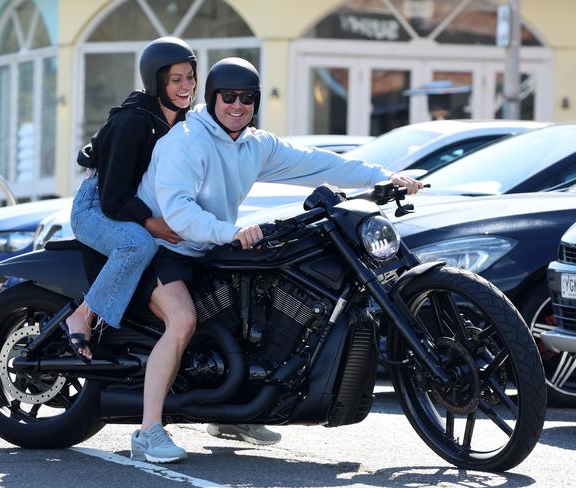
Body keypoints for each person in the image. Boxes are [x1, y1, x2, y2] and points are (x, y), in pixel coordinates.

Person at [131, 57, 424, 463]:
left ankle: (233, 413)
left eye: (246, 98)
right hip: (162, 249)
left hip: (206, 247)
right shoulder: (184, 142)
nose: (237, 105)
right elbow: (177, 212)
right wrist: (229, 232)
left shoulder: (254, 144)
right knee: (182, 321)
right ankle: (148, 431)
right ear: (213, 98)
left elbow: (321, 163)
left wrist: (384, 177)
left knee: (254, 307)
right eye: (228, 97)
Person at [63, 37, 197, 363]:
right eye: (175, 80)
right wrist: (151, 224)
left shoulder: (183, 121)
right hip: (96, 207)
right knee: (138, 244)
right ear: (156, 82)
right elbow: (112, 197)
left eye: (190, 77)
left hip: (128, 206)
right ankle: (83, 315)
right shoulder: (132, 121)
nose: (186, 87)